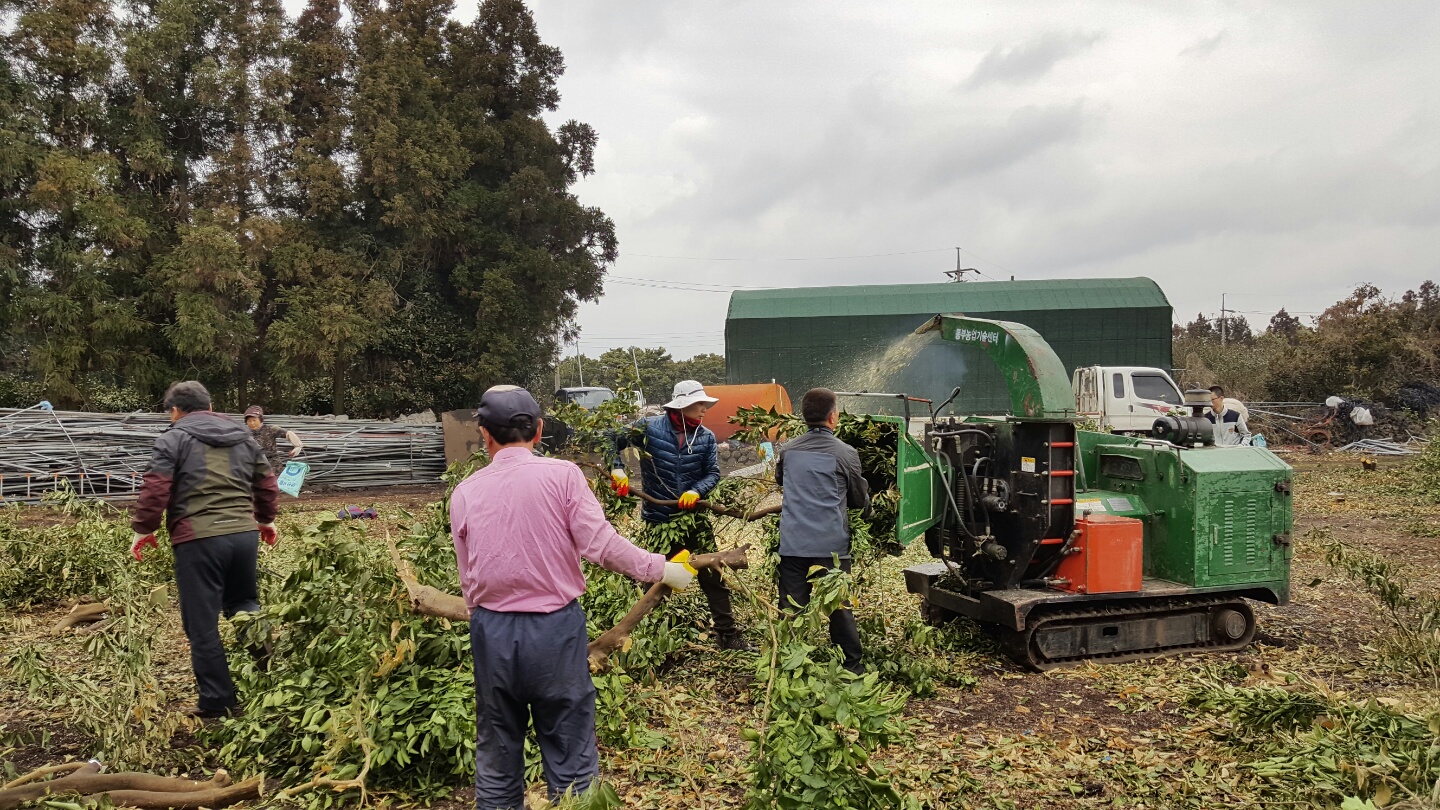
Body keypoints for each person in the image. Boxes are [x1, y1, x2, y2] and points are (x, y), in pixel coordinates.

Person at [451, 385, 695, 810]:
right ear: (540, 430)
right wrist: (664, 568)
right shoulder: (562, 475)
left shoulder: (465, 492)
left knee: (497, 750)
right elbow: (601, 546)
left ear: (484, 435)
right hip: (554, 630)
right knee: (569, 750)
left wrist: (484, 622)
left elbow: (468, 577)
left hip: (491, 631)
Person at [130, 381, 278, 718]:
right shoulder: (243, 436)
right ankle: (274, 683)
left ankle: (218, 702)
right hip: (243, 534)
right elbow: (267, 482)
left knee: (202, 625)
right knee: (244, 604)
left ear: (176, 410)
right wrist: (266, 520)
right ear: (209, 406)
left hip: (198, 538)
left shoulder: (174, 437)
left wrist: (144, 529)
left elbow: (156, 487)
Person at [609, 380, 753, 651]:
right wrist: (618, 469)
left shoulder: (706, 437)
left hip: (694, 519)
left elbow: (712, 473)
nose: (704, 410)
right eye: (700, 404)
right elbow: (609, 439)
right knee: (659, 577)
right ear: (683, 405)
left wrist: (696, 491)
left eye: (705, 405)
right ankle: (645, 637)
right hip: (660, 517)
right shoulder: (647, 428)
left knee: (713, 574)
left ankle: (727, 634)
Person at [775, 388, 870, 674]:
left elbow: (782, 481)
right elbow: (857, 498)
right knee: (840, 608)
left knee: (792, 609)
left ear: (803, 417)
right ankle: (851, 667)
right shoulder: (846, 453)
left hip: (793, 544)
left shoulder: (788, 450)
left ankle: (791, 665)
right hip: (832, 548)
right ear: (833, 417)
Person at [243, 406, 304, 473]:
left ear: (260, 419)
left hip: (272, 465)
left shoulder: (270, 429)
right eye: (249, 421)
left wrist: (297, 446)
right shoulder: (245, 433)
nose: (252, 423)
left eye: (254, 420)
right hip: (254, 466)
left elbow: (288, 433)